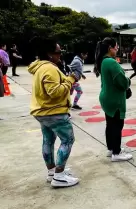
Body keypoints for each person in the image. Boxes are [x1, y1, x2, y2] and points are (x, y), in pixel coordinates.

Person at [28, 37, 79, 188]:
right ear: (49, 54)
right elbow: (55, 92)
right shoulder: (49, 68)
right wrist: (70, 80)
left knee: (48, 140)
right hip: (54, 112)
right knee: (68, 140)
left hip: (42, 112)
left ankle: (52, 172)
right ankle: (59, 176)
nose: (60, 55)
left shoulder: (39, 68)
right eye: (58, 52)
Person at [94, 37, 132, 162]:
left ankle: (111, 149)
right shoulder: (111, 62)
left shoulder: (103, 61)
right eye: (116, 47)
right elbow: (122, 81)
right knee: (117, 125)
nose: (117, 49)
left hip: (106, 97)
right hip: (114, 99)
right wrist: (128, 81)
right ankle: (117, 152)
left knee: (110, 124)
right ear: (110, 48)